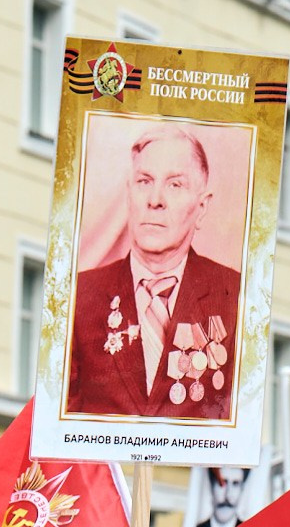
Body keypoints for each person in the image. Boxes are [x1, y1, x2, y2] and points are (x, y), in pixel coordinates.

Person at [63, 124, 244, 421]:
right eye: (144, 181)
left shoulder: (235, 297)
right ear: (129, 193)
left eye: (175, 185)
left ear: (201, 207)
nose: (155, 199)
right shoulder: (79, 296)